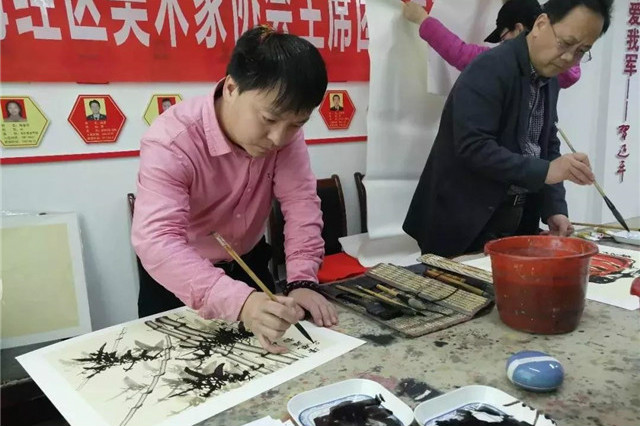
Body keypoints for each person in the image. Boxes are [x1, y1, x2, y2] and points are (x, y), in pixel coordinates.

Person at [132, 26, 338, 354]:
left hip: (250, 268)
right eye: (268, 119)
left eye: (296, 124)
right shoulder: (172, 141)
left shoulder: (285, 135)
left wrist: (301, 280)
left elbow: (300, 203)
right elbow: (157, 240)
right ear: (231, 87)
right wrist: (241, 303)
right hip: (180, 278)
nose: (278, 138)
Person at [403, 0, 612, 258]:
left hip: (515, 217)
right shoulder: (490, 68)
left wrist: (554, 208)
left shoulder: (550, 77)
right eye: (566, 43)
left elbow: (547, 144)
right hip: (464, 221)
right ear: (541, 24)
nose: (569, 58)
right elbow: (474, 147)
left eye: (581, 51)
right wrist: (546, 171)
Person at [402, 0, 582, 89]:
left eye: (503, 36)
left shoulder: (506, 63)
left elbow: (460, 53)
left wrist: (422, 19)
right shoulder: (557, 66)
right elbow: (572, 74)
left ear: (518, 29)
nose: (503, 43)